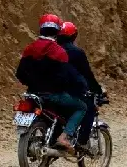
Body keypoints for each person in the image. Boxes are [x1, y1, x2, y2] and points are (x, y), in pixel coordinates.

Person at [15, 14, 88, 151]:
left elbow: (20, 74)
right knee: (81, 107)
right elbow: (67, 77)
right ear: (57, 31)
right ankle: (64, 136)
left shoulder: (29, 49)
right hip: (53, 95)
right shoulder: (59, 52)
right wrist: (80, 87)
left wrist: (33, 83)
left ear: (41, 29)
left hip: (32, 94)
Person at [57, 21, 105, 151]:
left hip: (48, 90)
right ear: (74, 36)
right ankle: (82, 142)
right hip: (70, 92)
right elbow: (87, 75)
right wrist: (98, 90)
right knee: (89, 108)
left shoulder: (51, 50)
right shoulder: (77, 52)